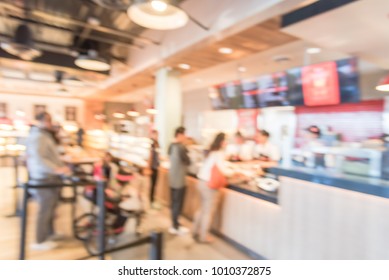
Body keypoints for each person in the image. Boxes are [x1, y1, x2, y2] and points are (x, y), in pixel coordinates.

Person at [26, 112, 70, 251]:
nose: (50, 123)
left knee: (50, 207)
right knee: (45, 209)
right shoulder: (38, 136)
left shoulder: (43, 135)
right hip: (43, 177)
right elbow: (39, 159)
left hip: (48, 177)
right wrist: (56, 169)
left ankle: (50, 233)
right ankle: (40, 240)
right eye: (48, 120)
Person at [193, 132, 234, 243]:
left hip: (201, 182)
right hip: (209, 185)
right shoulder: (219, 153)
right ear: (222, 142)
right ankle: (203, 236)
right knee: (208, 211)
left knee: (202, 209)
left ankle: (195, 230)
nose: (227, 143)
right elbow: (223, 171)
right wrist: (235, 172)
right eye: (226, 140)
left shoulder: (212, 151)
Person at [167, 126, 191, 235]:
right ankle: (175, 226)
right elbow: (188, 161)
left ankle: (174, 223)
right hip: (179, 179)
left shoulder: (171, 145)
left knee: (174, 203)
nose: (185, 137)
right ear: (180, 135)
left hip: (172, 178)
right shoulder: (181, 147)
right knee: (177, 203)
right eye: (184, 134)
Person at [149, 130, 160, 209]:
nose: (155, 136)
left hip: (156, 167)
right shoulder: (150, 144)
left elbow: (157, 156)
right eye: (154, 134)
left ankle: (152, 200)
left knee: (154, 185)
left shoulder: (157, 144)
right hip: (151, 168)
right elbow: (150, 156)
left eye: (156, 135)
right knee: (150, 185)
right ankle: (149, 201)